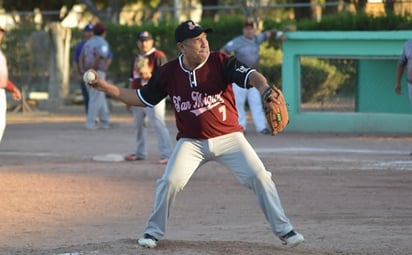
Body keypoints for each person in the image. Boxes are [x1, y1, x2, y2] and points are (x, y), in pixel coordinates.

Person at [86, 20, 304, 249]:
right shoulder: (168, 73)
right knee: (168, 181)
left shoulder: (220, 61)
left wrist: (264, 89)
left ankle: (285, 231)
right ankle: (152, 233)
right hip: (191, 143)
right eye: (197, 41)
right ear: (182, 47)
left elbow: (251, 75)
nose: (204, 44)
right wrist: (105, 87)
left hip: (230, 139)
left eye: (204, 38)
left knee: (260, 176)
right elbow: (141, 98)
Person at [220, 18, 286, 135]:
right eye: (247, 29)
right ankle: (241, 127)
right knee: (238, 103)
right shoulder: (237, 41)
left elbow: (270, 33)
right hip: (239, 77)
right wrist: (229, 64)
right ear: (243, 30)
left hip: (254, 77)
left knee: (256, 102)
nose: (249, 31)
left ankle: (261, 127)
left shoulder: (257, 39)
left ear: (254, 30)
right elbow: (223, 51)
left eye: (251, 29)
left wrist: (280, 34)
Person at [124, 31, 172, 164]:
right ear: (138, 43)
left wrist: (150, 76)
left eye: (146, 40)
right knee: (138, 125)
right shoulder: (136, 57)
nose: (144, 43)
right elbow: (132, 79)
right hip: (137, 95)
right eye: (141, 40)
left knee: (158, 124)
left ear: (152, 42)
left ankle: (167, 154)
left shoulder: (158, 56)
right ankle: (140, 152)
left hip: (154, 97)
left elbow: (165, 78)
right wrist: (128, 98)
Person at [79, 22, 114, 130]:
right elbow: (100, 56)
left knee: (99, 97)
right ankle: (90, 122)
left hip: (88, 71)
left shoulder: (88, 42)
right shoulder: (102, 42)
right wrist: (92, 69)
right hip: (96, 72)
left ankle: (105, 121)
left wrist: (83, 70)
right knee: (95, 98)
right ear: (103, 32)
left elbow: (81, 57)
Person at [0, 26, 22, 143]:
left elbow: (2, 76)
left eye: (1, 33)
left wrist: (13, 88)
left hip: (1, 91)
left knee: (1, 124)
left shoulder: (1, 55)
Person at [73, 23, 94, 114]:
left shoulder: (97, 44)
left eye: (91, 32)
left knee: (96, 97)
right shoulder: (80, 46)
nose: (89, 34)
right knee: (87, 96)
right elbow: (75, 61)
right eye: (87, 32)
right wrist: (78, 74)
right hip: (84, 74)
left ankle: (96, 116)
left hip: (95, 74)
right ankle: (89, 115)